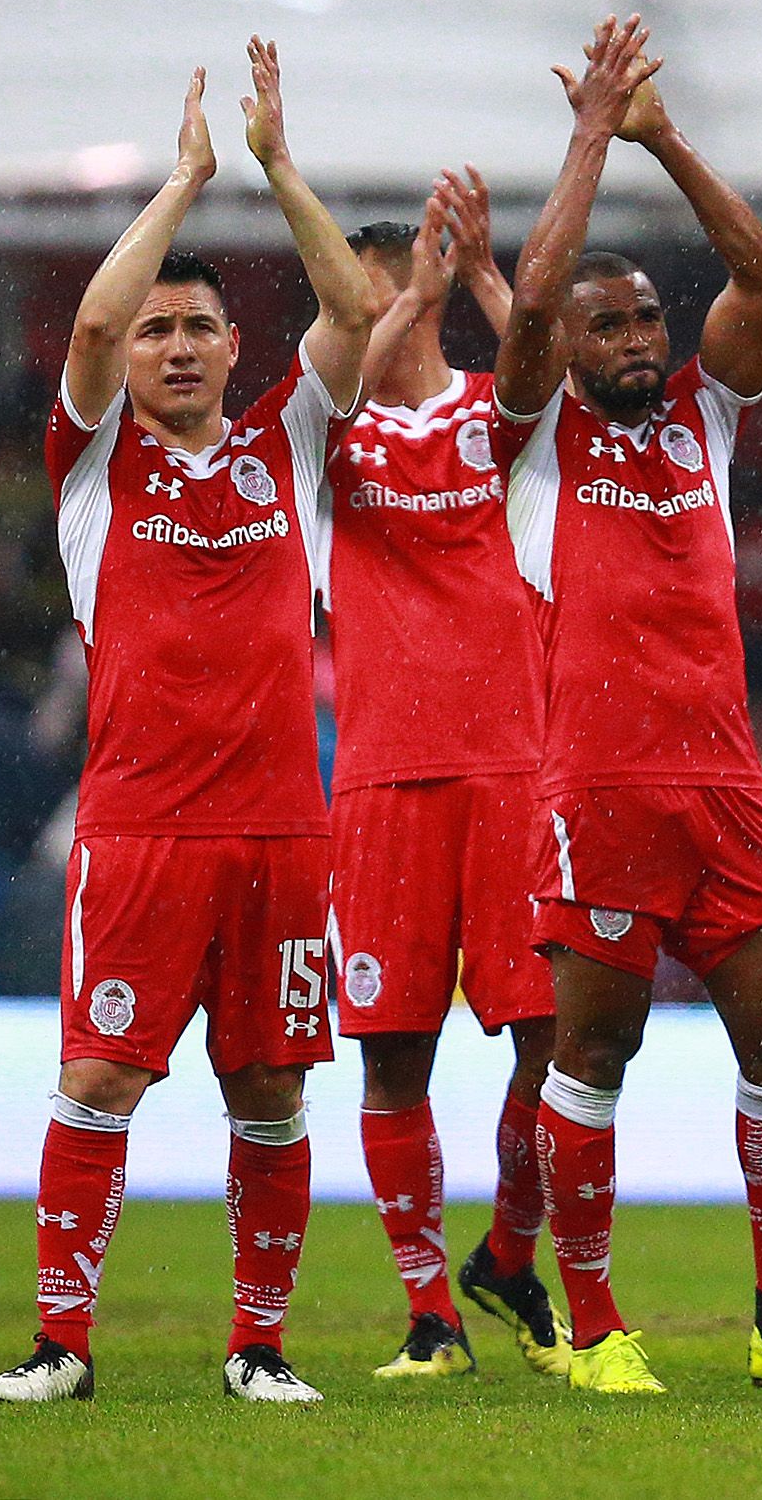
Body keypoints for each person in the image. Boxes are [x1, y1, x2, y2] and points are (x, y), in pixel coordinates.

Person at [490, 16, 762, 1396]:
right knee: (594, 1047)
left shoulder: (699, 419)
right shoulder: (536, 432)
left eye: (646, 318)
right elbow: (532, 299)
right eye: (612, 322)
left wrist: (663, 133)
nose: (633, 337)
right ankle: (594, 1325)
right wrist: (593, 133)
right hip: (597, 788)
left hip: (724, 785)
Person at [0, 43, 372, 1405]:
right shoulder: (93, 460)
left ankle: (258, 1347)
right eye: (158, 329)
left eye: (198, 325)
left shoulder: (289, 445)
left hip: (281, 827)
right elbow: (83, 332)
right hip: (141, 825)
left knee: (269, 1091)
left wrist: (275, 168)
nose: (176, 344)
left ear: (233, 345)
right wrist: (187, 177)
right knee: (99, 1073)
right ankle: (60, 1346)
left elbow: (355, 306)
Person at [325, 172, 568, 1381]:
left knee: (552, 1036)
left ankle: (509, 1253)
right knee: (390, 1053)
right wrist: (402, 297)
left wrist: (473, 270)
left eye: (372, 294)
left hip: (514, 772)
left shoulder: (492, 418)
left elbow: (543, 354)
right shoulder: (319, 440)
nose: (370, 316)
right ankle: (430, 1311)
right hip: (381, 781)